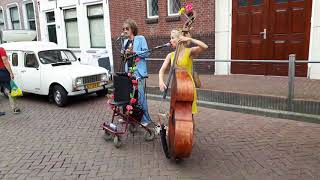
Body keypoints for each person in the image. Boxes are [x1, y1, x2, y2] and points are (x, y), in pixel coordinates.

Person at [158, 30, 208, 115]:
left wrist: (190, 39)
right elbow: (161, 70)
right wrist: (161, 81)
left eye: (172, 38)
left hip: (188, 88)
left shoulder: (189, 52)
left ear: (180, 39)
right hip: (177, 88)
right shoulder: (170, 55)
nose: (170, 40)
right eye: (170, 38)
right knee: (176, 116)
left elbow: (205, 47)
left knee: (189, 117)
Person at [122, 19, 150, 126]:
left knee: (140, 96)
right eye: (123, 29)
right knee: (130, 96)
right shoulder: (125, 42)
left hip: (138, 71)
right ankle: (131, 117)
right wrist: (124, 54)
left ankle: (145, 119)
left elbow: (146, 53)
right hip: (128, 71)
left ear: (132, 29)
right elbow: (125, 58)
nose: (125, 31)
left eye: (127, 29)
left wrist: (134, 52)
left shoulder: (140, 38)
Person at [0, 47, 20, 114]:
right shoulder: (1, 49)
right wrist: (11, 72)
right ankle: (14, 108)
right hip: (2, 72)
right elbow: (5, 61)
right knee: (10, 90)